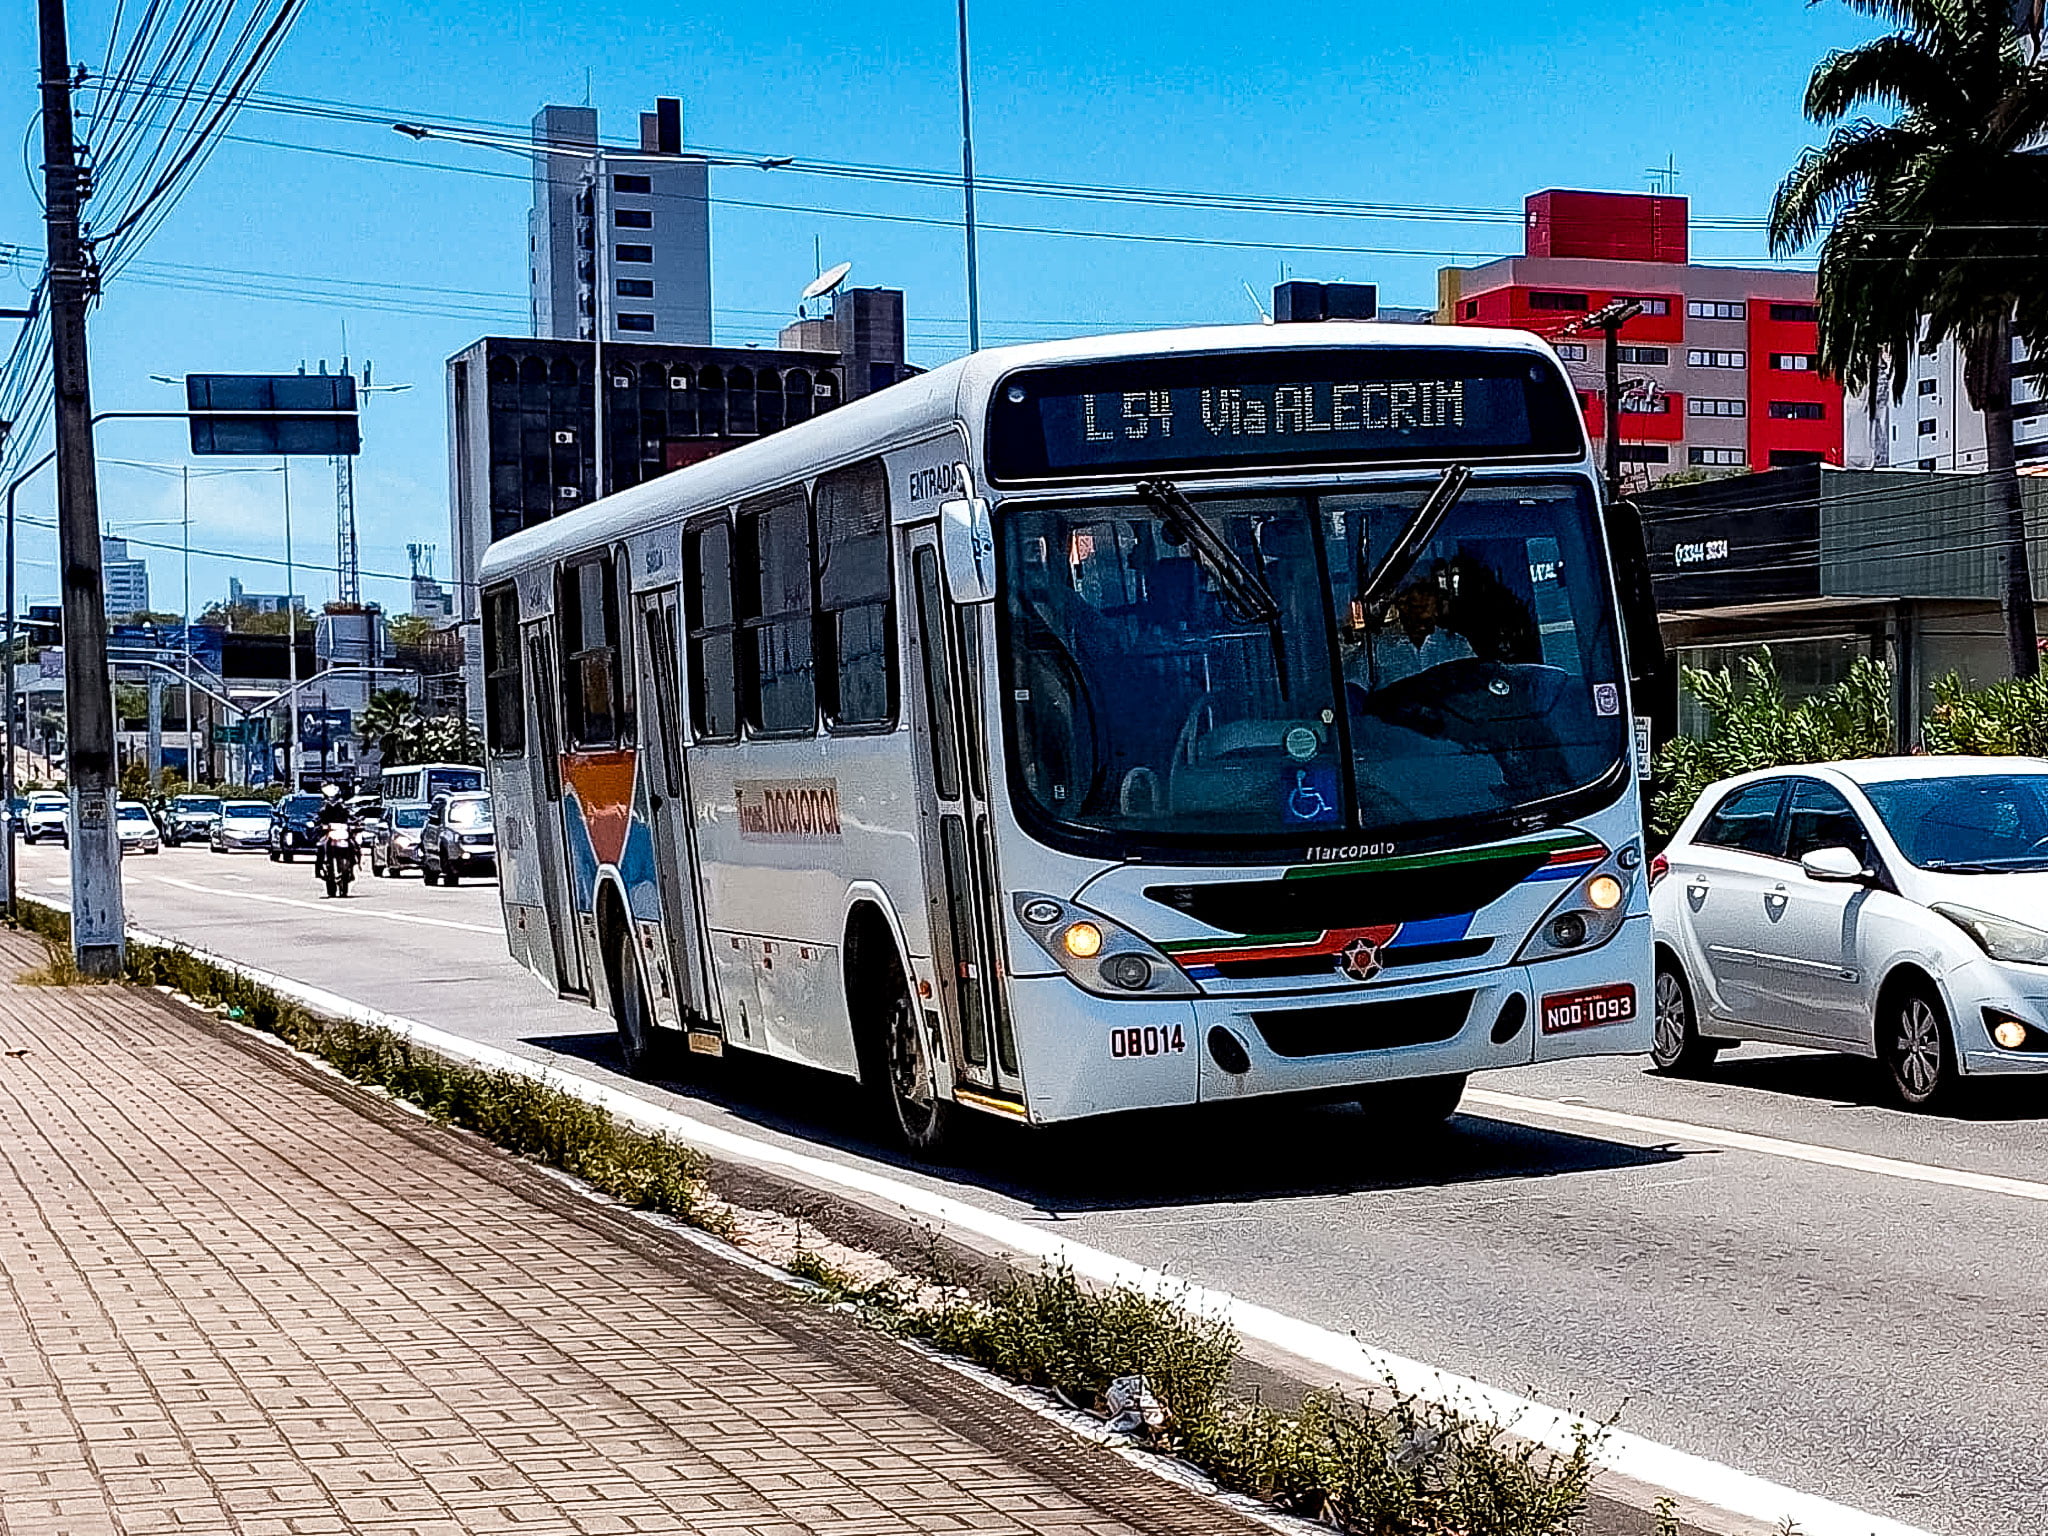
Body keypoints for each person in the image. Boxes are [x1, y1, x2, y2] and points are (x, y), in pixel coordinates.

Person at [1362, 576, 1473, 687]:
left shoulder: (1456, 645)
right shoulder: (1376, 648)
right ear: (1402, 604)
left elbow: (1475, 684)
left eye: (1433, 605)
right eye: (1421, 606)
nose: (1430, 612)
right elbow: (1357, 688)